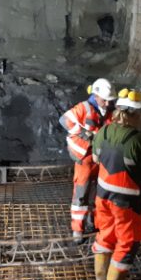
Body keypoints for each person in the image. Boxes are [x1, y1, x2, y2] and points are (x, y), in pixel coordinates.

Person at [90, 89, 141, 280]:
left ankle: (100, 279)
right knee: (127, 242)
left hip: (102, 195)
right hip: (126, 202)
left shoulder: (103, 132)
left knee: (105, 233)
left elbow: (96, 160)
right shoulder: (140, 140)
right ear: (135, 114)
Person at [59, 78, 116, 243]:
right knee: (81, 194)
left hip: (101, 157)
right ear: (96, 95)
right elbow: (64, 120)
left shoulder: (110, 109)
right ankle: (78, 229)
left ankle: (94, 221)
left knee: (100, 192)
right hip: (85, 158)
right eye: (104, 99)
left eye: (109, 100)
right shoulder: (84, 108)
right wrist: (84, 133)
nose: (107, 102)